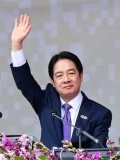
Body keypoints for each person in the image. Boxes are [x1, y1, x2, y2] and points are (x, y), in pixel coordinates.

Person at [9, 14, 112, 149]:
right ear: (53, 81)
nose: (66, 80)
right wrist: (16, 44)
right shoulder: (45, 102)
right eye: (59, 75)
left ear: (81, 76)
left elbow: (98, 151)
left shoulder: (99, 113)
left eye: (71, 73)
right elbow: (24, 82)